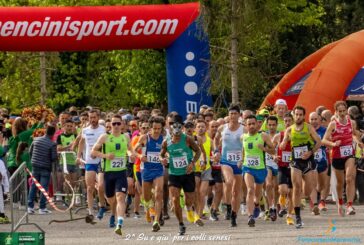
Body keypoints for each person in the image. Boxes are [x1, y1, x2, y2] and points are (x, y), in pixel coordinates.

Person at [92, 115, 135, 235]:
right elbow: (93, 152)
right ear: (110, 125)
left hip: (121, 172)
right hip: (108, 173)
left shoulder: (125, 136)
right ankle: (112, 212)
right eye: (114, 123)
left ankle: (119, 223)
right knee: (111, 199)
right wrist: (106, 156)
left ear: (122, 125)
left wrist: (131, 154)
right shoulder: (105, 137)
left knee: (120, 197)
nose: (116, 126)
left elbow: (130, 149)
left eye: (118, 123)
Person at [280, 106, 321, 228]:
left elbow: (319, 142)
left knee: (307, 191)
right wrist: (282, 144)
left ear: (303, 116)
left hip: (308, 161)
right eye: (296, 114)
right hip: (295, 162)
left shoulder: (308, 128)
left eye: (300, 115)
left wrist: (310, 152)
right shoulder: (289, 129)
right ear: (293, 115)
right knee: (296, 187)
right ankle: (297, 217)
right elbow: (284, 142)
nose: (298, 117)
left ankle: (301, 201)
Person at [160, 114, 201, 235]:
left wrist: (192, 163)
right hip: (174, 174)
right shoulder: (166, 142)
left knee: (189, 199)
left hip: (187, 173)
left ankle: (188, 208)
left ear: (181, 127)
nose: (176, 130)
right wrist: (162, 159)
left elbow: (198, 151)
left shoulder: (188, 139)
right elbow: (161, 154)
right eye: (174, 127)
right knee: (175, 199)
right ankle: (181, 224)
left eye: (179, 127)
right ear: (171, 128)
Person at [322, 101, 363, 216]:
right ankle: (340, 202)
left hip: (349, 154)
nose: (342, 113)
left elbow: (354, 134)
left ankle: (350, 205)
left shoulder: (352, 122)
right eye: (339, 111)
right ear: (336, 112)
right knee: (340, 183)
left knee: (349, 178)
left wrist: (358, 142)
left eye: (344, 111)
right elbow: (324, 140)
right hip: (337, 155)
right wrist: (334, 144)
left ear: (346, 110)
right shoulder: (333, 124)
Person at [214, 104, 244, 227]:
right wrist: (216, 151)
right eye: (230, 114)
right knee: (229, 181)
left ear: (239, 115)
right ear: (228, 115)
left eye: (235, 114)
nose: (232, 116)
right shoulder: (222, 128)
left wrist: (244, 157)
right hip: (226, 161)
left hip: (239, 162)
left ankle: (233, 214)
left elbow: (248, 143)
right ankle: (227, 205)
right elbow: (215, 140)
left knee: (236, 192)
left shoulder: (244, 129)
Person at [242, 115, 275, 227]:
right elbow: (243, 151)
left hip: (260, 169)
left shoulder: (263, 136)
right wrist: (241, 160)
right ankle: (250, 216)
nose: (251, 126)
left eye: (253, 123)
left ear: (257, 124)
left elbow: (273, 150)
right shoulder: (244, 137)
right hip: (248, 168)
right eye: (249, 124)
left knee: (257, 195)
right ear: (246, 126)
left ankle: (256, 204)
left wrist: (264, 149)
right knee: (250, 190)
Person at [134, 116, 165, 231]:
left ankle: (156, 220)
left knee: (159, 193)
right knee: (146, 197)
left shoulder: (164, 139)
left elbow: (168, 153)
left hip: (158, 170)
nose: (156, 131)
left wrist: (165, 158)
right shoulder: (144, 138)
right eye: (154, 128)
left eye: (159, 128)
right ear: (150, 128)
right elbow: (134, 150)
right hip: (146, 170)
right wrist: (140, 156)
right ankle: (150, 208)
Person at [76, 110, 106, 221]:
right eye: (90, 117)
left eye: (94, 117)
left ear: (98, 117)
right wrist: (78, 156)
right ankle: (90, 212)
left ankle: (102, 205)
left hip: (100, 161)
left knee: (101, 186)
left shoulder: (103, 129)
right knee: (89, 188)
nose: (92, 120)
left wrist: (98, 152)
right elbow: (81, 143)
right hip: (89, 162)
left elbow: (106, 144)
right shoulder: (85, 130)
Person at [27, 124, 58, 215]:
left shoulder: (36, 140)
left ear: (45, 131)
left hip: (35, 165)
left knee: (33, 186)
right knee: (44, 188)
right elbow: (53, 158)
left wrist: (33, 160)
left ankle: (30, 207)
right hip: (45, 167)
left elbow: (30, 151)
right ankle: (42, 207)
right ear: (53, 133)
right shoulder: (52, 144)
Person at [272, 112, 294, 225]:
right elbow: (270, 148)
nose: (287, 123)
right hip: (282, 166)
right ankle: (281, 198)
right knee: (283, 190)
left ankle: (289, 216)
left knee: (292, 193)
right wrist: (274, 156)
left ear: (293, 122)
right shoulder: (278, 136)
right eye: (285, 121)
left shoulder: (297, 135)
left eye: (289, 121)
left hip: (294, 167)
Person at [309, 112, 330, 213]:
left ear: (320, 120)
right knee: (313, 183)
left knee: (322, 185)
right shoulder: (306, 131)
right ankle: (315, 204)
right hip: (311, 161)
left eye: (315, 119)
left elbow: (329, 141)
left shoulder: (324, 131)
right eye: (312, 119)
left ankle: (320, 198)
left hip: (322, 161)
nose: (314, 122)